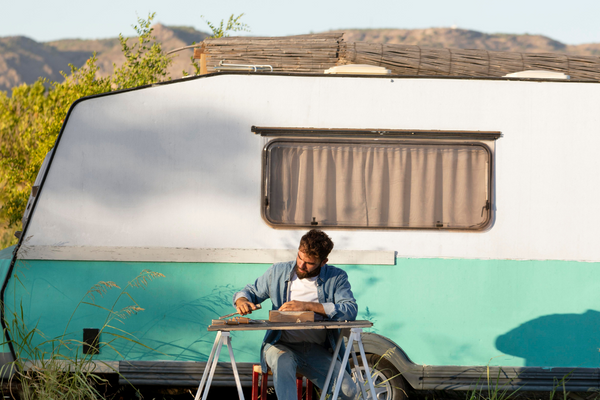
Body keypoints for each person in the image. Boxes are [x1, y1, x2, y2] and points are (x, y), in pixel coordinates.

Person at [233, 229, 358, 400]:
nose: (301, 265)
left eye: (309, 263)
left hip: (315, 349)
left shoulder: (336, 278)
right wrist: (242, 301)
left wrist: (308, 306)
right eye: (299, 257)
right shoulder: (278, 271)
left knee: (349, 391)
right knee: (283, 361)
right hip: (280, 344)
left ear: (323, 262)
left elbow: (350, 310)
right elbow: (249, 291)